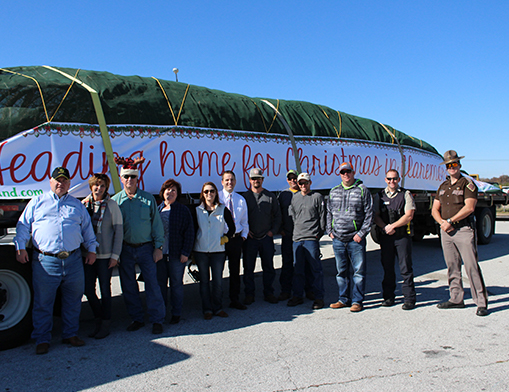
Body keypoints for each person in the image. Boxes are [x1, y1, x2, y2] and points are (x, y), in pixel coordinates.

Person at [14, 167, 98, 355]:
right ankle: (42, 339)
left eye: (65, 181)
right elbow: (22, 226)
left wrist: (91, 250)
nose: (61, 184)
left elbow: (87, 230)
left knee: (73, 300)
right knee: (44, 302)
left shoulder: (77, 205)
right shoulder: (37, 202)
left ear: (69, 184)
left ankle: (70, 334)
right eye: (57, 180)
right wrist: (20, 247)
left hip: (73, 260)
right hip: (46, 261)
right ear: (51, 182)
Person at [112, 157, 166, 334]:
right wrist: (115, 253)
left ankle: (157, 319)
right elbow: (111, 230)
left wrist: (158, 248)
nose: (129, 180)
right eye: (126, 176)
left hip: (146, 248)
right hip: (125, 249)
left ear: (137, 179)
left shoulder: (148, 199)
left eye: (132, 177)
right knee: (128, 286)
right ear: (121, 178)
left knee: (152, 285)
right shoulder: (115, 202)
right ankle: (137, 318)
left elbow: (157, 225)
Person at [431, 150, 488, 317]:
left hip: (463, 230)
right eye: (448, 165)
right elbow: (435, 208)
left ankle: (481, 302)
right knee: (452, 266)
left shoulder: (467, 184)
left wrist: (450, 221)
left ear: (459, 165)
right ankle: (456, 298)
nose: (451, 167)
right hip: (446, 231)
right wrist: (441, 222)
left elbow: (469, 207)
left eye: (454, 164)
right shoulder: (442, 186)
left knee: (471, 266)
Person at [327, 162, 373, 312]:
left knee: (358, 272)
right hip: (338, 238)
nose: (346, 174)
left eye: (348, 171)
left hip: (355, 239)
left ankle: (357, 301)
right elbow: (328, 212)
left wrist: (361, 233)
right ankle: (343, 299)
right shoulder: (333, 191)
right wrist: (329, 231)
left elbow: (369, 214)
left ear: (354, 172)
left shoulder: (362, 190)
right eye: (343, 172)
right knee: (341, 271)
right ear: (339, 174)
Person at [82, 173, 123, 339]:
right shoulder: (84, 205)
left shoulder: (112, 205)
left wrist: (115, 255)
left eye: (103, 186)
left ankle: (105, 323)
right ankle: (98, 317)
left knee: (105, 290)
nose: (99, 189)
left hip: (105, 256)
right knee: (88, 290)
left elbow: (119, 232)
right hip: (88, 255)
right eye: (96, 185)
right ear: (91, 186)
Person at [373, 169, 417, 310]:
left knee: (405, 268)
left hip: (401, 236)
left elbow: (409, 215)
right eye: (389, 179)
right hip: (386, 236)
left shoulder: (405, 194)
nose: (392, 181)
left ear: (399, 179)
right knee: (387, 268)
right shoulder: (379, 196)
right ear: (385, 180)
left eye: (395, 179)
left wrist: (393, 226)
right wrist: (385, 227)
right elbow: (376, 215)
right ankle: (388, 297)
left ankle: (409, 299)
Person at [193, 182, 235, 319]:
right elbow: (193, 230)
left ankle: (217, 308)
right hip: (201, 251)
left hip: (218, 251)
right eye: (206, 192)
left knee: (217, 281)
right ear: (202, 194)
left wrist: (226, 238)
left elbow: (232, 228)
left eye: (212, 191)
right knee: (204, 282)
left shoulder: (223, 209)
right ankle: (207, 310)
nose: (209, 194)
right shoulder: (197, 210)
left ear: (216, 193)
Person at [157, 179, 195, 324]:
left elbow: (189, 233)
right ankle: (161, 313)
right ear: (163, 192)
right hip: (160, 255)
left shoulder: (182, 210)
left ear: (177, 194)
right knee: (160, 285)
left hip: (177, 255)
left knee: (176, 285)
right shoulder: (158, 209)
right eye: (168, 189)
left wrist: (186, 252)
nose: (170, 192)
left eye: (174, 190)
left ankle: (176, 313)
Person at [286, 173, 326, 310]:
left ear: (310, 183)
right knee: (298, 269)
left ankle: (319, 297)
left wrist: (317, 235)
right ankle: (297, 296)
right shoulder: (295, 198)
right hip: (297, 238)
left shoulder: (317, 197)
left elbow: (322, 218)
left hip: (311, 238)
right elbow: (294, 216)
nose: (303, 185)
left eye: (305, 183)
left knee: (315, 269)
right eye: (301, 183)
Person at [243, 168, 282, 305]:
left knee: (269, 267)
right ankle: (249, 294)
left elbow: (278, 216)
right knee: (248, 268)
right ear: (249, 180)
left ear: (262, 180)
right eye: (253, 178)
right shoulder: (244, 198)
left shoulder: (270, 197)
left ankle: (269, 292)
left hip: (266, 237)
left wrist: (272, 231)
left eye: (258, 178)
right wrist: (245, 230)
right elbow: (240, 218)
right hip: (250, 238)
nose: (256, 181)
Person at [219, 171, 249, 311]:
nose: (229, 182)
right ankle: (217, 301)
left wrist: (243, 236)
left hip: (235, 239)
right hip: (219, 240)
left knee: (235, 271)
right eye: (226, 180)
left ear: (235, 182)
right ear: (222, 182)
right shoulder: (216, 197)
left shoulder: (240, 199)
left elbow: (244, 221)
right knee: (218, 271)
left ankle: (234, 299)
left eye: (231, 180)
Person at [277, 170, 299, 301]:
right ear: (287, 180)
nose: (293, 181)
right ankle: (285, 290)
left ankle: (302, 289)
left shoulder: (305, 193)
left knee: (301, 263)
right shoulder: (283, 195)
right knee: (287, 263)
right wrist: (279, 229)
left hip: (302, 234)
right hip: (287, 234)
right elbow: (277, 213)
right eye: (290, 179)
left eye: (294, 178)